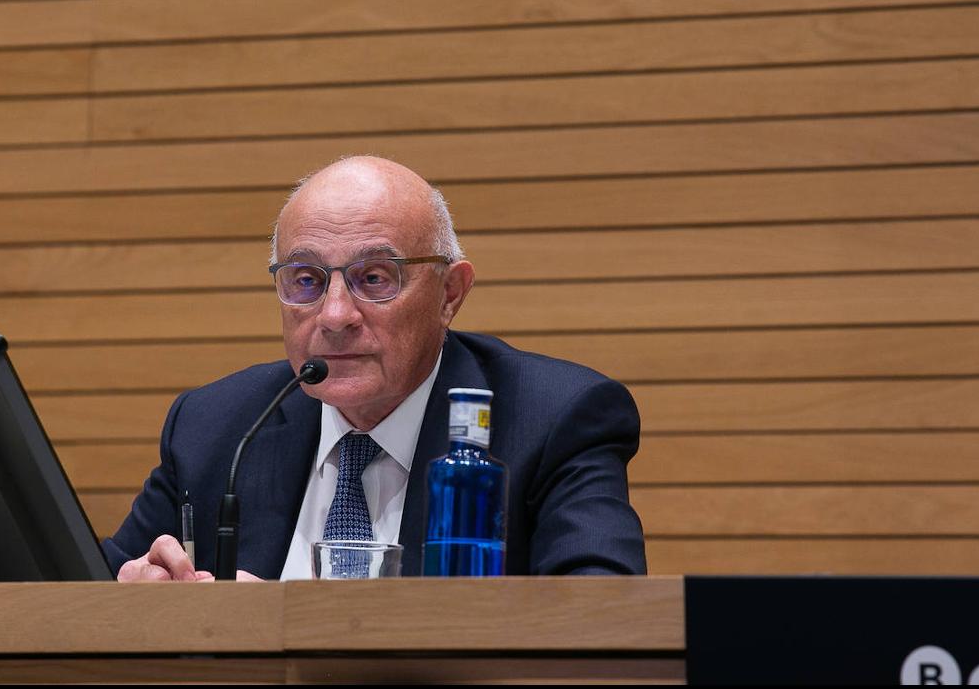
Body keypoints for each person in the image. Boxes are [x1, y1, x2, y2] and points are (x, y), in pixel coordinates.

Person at [103, 155, 646, 581]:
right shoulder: (217, 426)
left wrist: (281, 622)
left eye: (375, 278)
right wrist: (137, 593)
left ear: (450, 293)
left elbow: (600, 615)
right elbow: (85, 586)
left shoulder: (553, 419)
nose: (335, 315)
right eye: (306, 281)